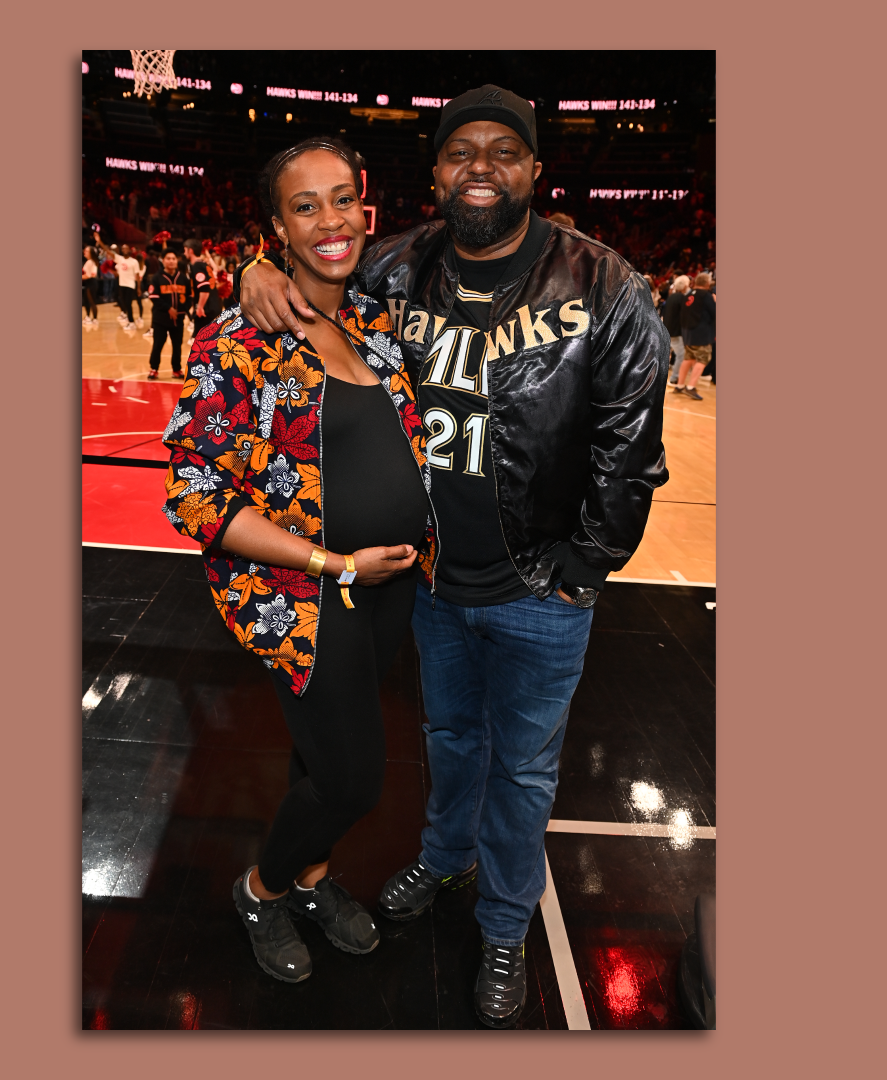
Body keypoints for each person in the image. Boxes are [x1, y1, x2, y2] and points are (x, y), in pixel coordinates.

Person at [241, 84, 670, 1027]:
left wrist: (582, 570)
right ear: (433, 175)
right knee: (448, 742)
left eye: (503, 150)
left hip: (539, 590)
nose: (481, 165)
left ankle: (507, 923)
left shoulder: (607, 287)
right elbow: (313, 260)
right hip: (430, 582)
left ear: (534, 173)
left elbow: (631, 452)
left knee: (521, 770)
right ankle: (442, 859)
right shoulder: (397, 268)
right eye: (460, 151)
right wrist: (252, 271)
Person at [161, 135, 437, 986]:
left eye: (343, 198)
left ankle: (314, 881)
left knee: (321, 761)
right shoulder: (240, 339)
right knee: (354, 782)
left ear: (366, 209)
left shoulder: (374, 321)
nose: (331, 220)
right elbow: (194, 495)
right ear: (276, 226)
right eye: (305, 204)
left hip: (387, 590)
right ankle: (263, 886)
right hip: (309, 601)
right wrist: (332, 563)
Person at [142, 250, 192, 378]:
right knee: (158, 344)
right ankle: (154, 368)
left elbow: (190, 296)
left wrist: (183, 310)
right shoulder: (157, 278)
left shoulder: (183, 278)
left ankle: (176, 369)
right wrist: (169, 308)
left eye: (173, 258)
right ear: (163, 261)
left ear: (177, 261)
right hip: (161, 318)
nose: (171, 261)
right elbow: (154, 296)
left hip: (178, 319)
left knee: (177, 345)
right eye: (168, 258)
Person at [675, 270, 715, 399]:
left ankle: (680, 385)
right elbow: (715, 313)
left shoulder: (688, 295)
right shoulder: (706, 295)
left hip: (687, 333)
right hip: (701, 334)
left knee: (689, 358)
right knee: (703, 358)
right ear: (708, 283)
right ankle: (691, 387)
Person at [661, 274, 689, 389]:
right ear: (685, 286)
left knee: (665, 356)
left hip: (666, 329)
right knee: (681, 355)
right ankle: (674, 378)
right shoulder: (683, 298)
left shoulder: (671, 297)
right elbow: (684, 317)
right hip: (675, 332)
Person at [115, 245, 143, 328]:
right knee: (124, 303)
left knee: (128, 303)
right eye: (123, 248)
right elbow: (109, 252)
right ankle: (128, 318)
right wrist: (99, 241)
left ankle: (131, 322)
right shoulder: (119, 259)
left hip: (130, 285)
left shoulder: (134, 261)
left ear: (129, 250)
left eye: (126, 248)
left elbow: (137, 275)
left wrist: (138, 288)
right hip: (121, 284)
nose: (124, 249)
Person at [80, 247, 99, 329]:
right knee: (87, 301)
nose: (85, 252)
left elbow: (89, 275)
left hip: (91, 283)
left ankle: (92, 318)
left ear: (91, 253)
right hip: (91, 283)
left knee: (91, 301)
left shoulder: (90, 262)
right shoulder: (91, 262)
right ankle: (91, 318)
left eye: (87, 251)